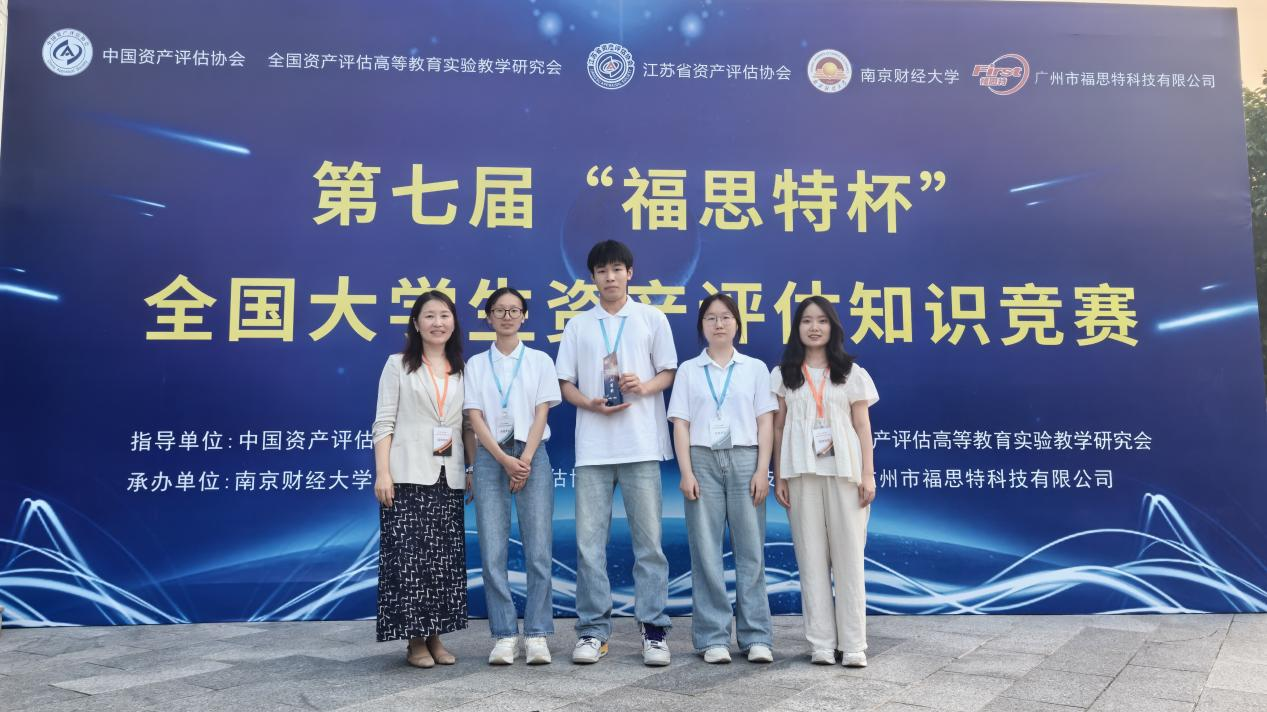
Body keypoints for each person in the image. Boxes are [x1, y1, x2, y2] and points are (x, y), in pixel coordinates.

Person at [555, 240, 677, 666]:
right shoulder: (578, 325)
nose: (610, 277)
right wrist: (587, 403)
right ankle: (592, 631)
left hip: (641, 445)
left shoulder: (651, 318)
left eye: (616, 269)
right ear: (592, 277)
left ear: (630, 272)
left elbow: (668, 371)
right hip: (593, 449)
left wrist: (644, 386)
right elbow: (564, 383)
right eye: (602, 270)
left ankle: (654, 629)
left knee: (650, 544)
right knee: (589, 545)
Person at [667, 293, 777, 664]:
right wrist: (686, 472)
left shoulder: (755, 368)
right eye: (711, 318)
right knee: (705, 551)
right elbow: (680, 424)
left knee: (751, 551)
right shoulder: (688, 370)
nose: (719, 324)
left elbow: (765, 422)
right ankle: (712, 637)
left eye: (726, 317)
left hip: (746, 459)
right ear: (702, 326)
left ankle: (756, 636)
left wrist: (762, 469)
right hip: (702, 460)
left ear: (737, 324)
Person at [770, 296, 878, 668]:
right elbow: (778, 428)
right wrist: (779, 475)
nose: (814, 327)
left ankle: (853, 644)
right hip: (801, 474)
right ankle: (820, 643)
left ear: (833, 327)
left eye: (821, 321)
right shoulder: (784, 374)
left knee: (849, 559)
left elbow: (862, 426)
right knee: (811, 558)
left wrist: (867, 474)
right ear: (796, 328)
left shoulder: (851, 372)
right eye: (806, 321)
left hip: (846, 474)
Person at [372, 290, 475, 668]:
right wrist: (383, 472)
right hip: (407, 476)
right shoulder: (398, 365)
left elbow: (467, 426)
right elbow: (384, 422)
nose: (437, 323)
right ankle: (414, 640)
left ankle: (436, 635)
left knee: (443, 561)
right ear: (416, 324)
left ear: (454, 322)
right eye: (429, 316)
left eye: (444, 315)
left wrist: (471, 469)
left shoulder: (463, 369)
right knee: (409, 561)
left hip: (448, 477)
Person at [463, 287, 562, 665]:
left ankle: (537, 633)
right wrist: (504, 459)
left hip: (532, 454)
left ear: (524, 316)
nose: (507, 316)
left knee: (538, 550)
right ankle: (504, 634)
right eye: (500, 310)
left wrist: (526, 459)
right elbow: (474, 417)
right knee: (493, 552)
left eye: (514, 310)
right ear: (488, 317)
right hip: (491, 458)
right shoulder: (475, 364)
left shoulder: (539, 360)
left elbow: (541, 412)